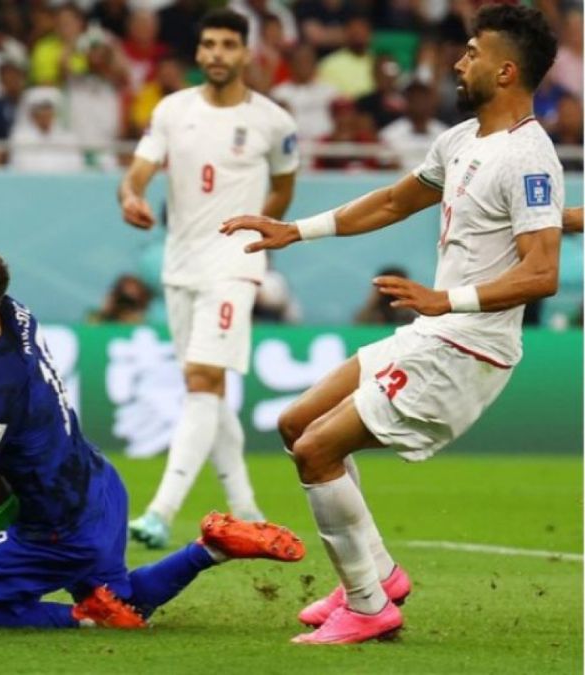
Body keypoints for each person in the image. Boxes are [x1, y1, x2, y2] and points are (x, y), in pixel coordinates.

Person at [220, 4, 562, 644]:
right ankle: (378, 575)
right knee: (298, 425)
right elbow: (393, 200)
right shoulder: (461, 139)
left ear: (507, 69)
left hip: (470, 346)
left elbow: (541, 273)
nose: (458, 63)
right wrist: (296, 230)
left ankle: (369, 604)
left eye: (472, 53)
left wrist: (447, 300)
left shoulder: (530, 158)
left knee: (319, 449)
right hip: (434, 333)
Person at [0, 245, 306, 635]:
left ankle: (81, 619)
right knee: (125, 598)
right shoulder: (2, 316)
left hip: (54, 531)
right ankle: (210, 549)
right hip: (100, 487)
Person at [119, 9, 298, 549]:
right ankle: (246, 510)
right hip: (181, 264)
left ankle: (160, 510)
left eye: (228, 45)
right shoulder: (173, 110)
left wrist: (258, 233)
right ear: (199, 53)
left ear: (246, 54)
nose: (217, 53)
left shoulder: (274, 121)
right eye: (209, 44)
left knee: (201, 379)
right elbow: (141, 168)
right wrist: (131, 195)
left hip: (235, 263)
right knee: (209, 391)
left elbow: (285, 188)